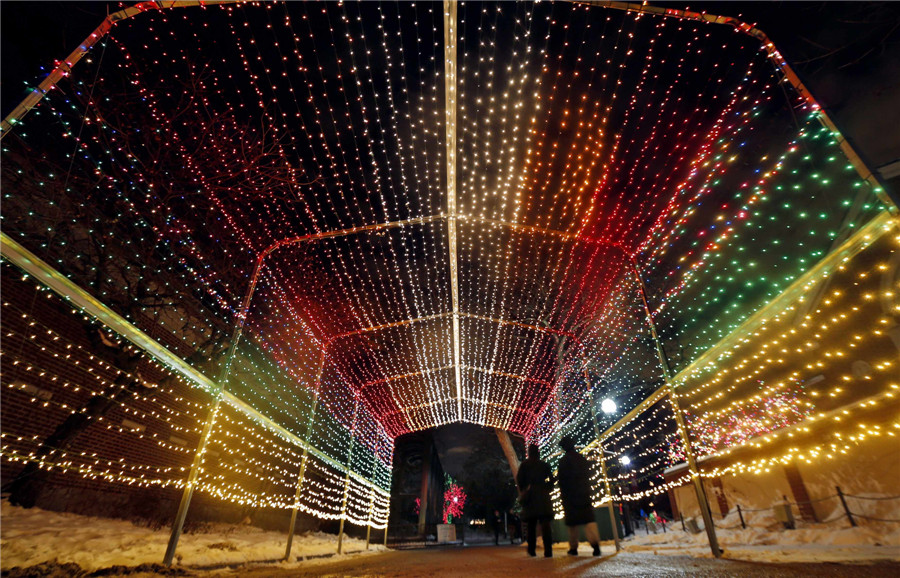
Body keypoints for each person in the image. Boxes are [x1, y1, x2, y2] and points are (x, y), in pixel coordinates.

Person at [557, 435, 601, 556]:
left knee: (572, 524)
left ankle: (573, 548)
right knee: (589, 521)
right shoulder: (581, 458)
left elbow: (562, 481)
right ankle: (595, 546)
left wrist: (564, 495)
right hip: (584, 494)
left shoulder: (563, 461)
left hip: (570, 496)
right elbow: (588, 474)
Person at [516, 443, 555, 558]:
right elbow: (552, 479)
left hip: (530, 497)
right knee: (545, 525)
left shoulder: (524, 465)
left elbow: (520, 480)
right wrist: (548, 488)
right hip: (543, 496)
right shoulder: (544, 465)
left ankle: (531, 550)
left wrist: (524, 489)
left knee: (531, 526)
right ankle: (548, 550)